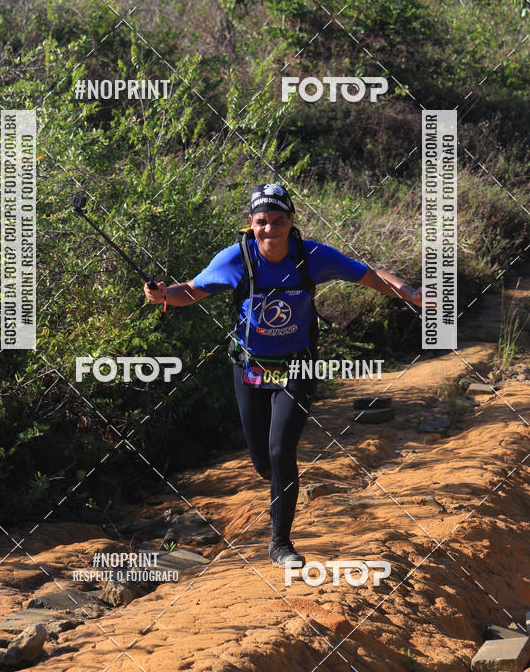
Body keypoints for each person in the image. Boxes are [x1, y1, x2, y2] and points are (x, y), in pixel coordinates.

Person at [144, 183, 422, 567]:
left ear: (291, 222)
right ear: (250, 224)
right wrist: (161, 294)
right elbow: (190, 291)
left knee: (281, 451)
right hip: (250, 367)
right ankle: (280, 483)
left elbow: (370, 276)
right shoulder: (235, 259)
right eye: (262, 221)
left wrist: (413, 294)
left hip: (298, 366)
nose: (269, 229)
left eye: (278, 220)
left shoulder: (311, 257)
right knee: (263, 462)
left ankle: (280, 543)